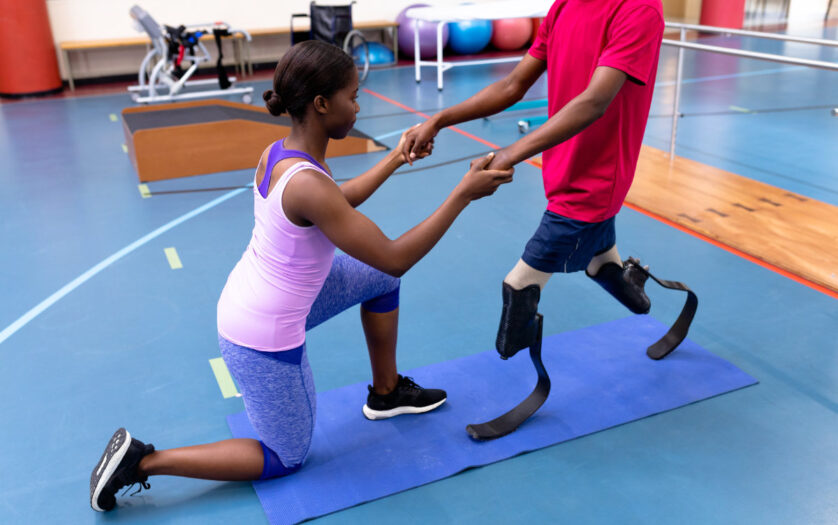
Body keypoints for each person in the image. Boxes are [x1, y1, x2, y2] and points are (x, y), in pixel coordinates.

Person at [90, 40, 513, 512]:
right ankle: (143, 462)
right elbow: (394, 257)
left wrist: (396, 157)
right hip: (261, 335)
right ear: (322, 104)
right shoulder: (308, 183)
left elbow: (337, 202)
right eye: (353, 96)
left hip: (257, 297)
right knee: (285, 455)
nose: (358, 106)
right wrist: (462, 194)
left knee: (378, 281)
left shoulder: (283, 153)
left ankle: (387, 392)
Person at [402, 0, 665, 359]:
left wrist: (510, 153)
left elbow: (594, 101)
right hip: (561, 165)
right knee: (601, 260)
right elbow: (513, 85)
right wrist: (439, 120)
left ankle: (516, 375)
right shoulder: (564, 6)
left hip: (598, 178)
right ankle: (632, 291)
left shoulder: (638, 9)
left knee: (519, 285)